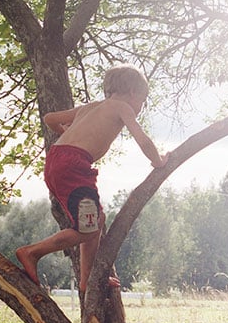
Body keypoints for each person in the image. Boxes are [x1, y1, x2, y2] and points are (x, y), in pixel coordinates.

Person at [16, 64, 167, 293]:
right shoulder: (122, 107)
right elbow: (143, 141)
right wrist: (158, 161)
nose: (140, 107)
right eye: (142, 101)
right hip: (74, 166)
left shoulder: (90, 108)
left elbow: (49, 118)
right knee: (87, 229)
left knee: (95, 220)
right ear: (134, 93)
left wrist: (67, 132)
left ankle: (87, 280)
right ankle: (32, 252)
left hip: (57, 161)